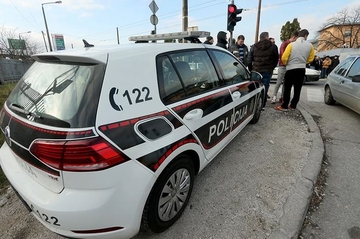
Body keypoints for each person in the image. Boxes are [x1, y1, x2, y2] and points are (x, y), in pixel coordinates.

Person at [274, 29, 315, 111]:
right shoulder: (310, 46)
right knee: (297, 88)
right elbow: (311, 58)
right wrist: (303, 61)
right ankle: (293, 105)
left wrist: (287, 63)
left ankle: (284, 105)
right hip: (301, 68)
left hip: (291, 68)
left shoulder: (291, 45)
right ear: (305, 35)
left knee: (287, 88)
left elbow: (284, 57)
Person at [247, 31, 279, 109]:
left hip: (256, 70)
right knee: (265, 87)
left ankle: (253, 104)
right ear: (267, 37)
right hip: (267, 70)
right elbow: (276, 59)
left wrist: (252, 70)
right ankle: (262, 105)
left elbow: (249, 60)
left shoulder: (254, 46)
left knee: (255, 87)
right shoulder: (273, 46)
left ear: (260, 38)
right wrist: (272, 67)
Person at [271, 31, 298, 104]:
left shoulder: (293, 45)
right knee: (279, 82)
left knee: (286, 83)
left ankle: (282, 97)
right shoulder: (285, 44)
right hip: (283, 65)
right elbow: (282, 55)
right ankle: (274, 96)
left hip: (289, 66)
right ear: (294, 37)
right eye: (296, 39)